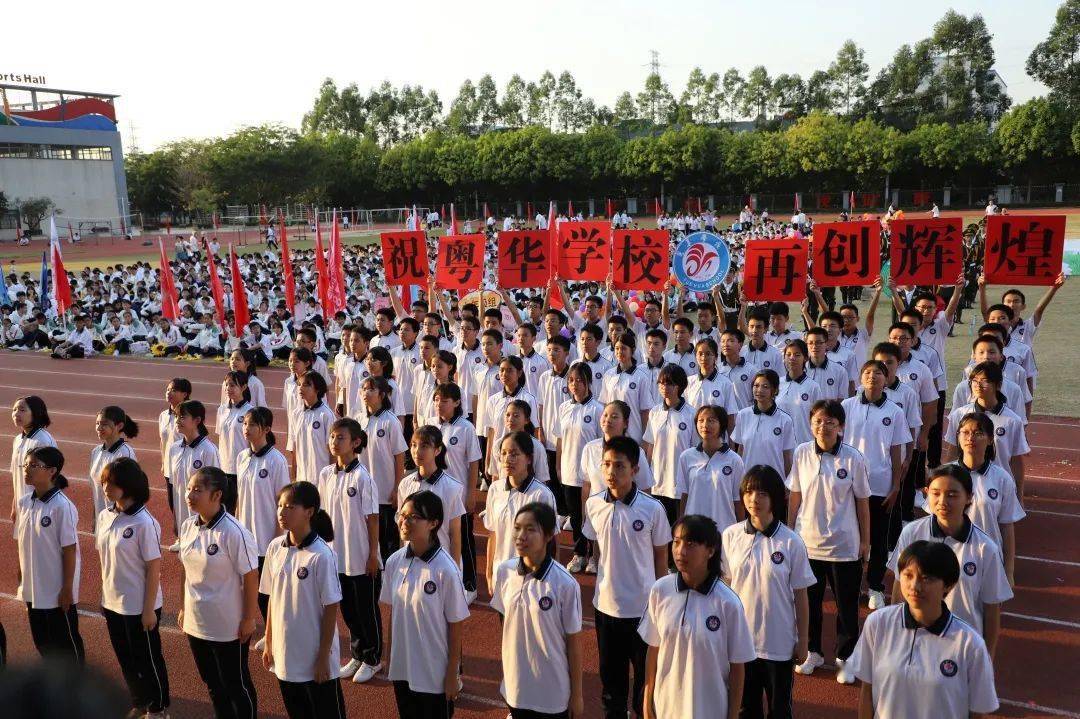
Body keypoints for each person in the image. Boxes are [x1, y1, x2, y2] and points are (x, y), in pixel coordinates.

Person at [848, 541, 999, 719]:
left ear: (948, 585)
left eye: (926, 578)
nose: (915, 586)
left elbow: (978, 712)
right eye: (908, 575)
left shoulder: (969, 644)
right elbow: (867, 691)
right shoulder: (878, 624)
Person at [583, 437, 671, 719]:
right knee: (611, 683)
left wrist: (661, 603)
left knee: (646, 684)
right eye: (606, 464)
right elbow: (596, 544)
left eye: (619, 466)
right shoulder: (594, 504)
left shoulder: (652, 508)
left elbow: (661, 557)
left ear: (634, 469)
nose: (611, 472)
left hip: (643, 610)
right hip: (606, 607)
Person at [640, 514, 756, 719]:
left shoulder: (728, 603)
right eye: (676, 542)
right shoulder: (660, 590)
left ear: (710, 551)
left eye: (691, 544)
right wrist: (647, 699)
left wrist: (733, 714)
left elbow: (738, 667)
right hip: (667, 707)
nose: (680, 551)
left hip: (710, 710)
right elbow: (653, 649)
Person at [889, 465, 1013, 656]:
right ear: (926, 493)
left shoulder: (985, 549)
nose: (942, 501)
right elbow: (899, 589)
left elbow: (991, 610)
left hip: (962, 647)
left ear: (969, 497)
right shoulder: (912, 533)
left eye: (952, 495)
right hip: (916, 641)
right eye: (936, 493)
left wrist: (987, 658)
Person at [721, 466, 815, 719]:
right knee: (744, 710)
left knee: (779, 711)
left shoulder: (791, 542)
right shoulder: (730, 536)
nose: (754, 500)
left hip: (778, 644)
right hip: (742, 643)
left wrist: (804, 640)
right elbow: (726, 591)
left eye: (762, 493)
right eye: (749, 492)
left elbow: (801, 596)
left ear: (774, 497)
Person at [788, 399, 871, 682]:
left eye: (829, 422)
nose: (823, 427)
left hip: (844, 546)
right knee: (809, 603)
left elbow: (862, 503)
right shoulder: (801, 453)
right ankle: (812, 651)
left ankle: (846, 658)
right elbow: (795, 496)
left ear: (841, 427)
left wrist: (865, 542)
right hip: (807, 543)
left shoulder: (853, 458)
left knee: (846, 606)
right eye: (818, 422)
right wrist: (789, 534)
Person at [260, 481, 347, 719]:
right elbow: (272, 600)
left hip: (314, 656)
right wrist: (269, 641)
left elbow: (331, 608)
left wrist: (323, 657)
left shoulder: (322, 555)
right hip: (286, 652)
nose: (281, 512)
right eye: (279, 505)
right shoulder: (275, 548)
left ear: (309, 512)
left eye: (289, 506)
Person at [178, 466, 260, 719]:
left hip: (227, 625)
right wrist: (183, 607)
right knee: (212, 683)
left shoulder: (234, 532)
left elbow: (250, 576)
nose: (190, 495)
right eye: (189, 489)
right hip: (196, 620)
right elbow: (184, 569)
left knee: (236, 684)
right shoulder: (188, 526)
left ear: (216, 495)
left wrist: (248, 618)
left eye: (197, 490)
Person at [490, 502, 584, 719]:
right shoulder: (505, 572)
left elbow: (574, 644)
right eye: (517, 527)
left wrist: (577, 695)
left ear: (549, 535)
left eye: (531, 529)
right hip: (517, 686)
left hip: (552, 692)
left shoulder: (565, 584)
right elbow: (506, 624)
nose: (521, 535)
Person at [381, 491, 470, 718]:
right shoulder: (394, 562)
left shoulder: (446, 569)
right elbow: (394, 613)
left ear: (433, 523)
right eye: (402, 515)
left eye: (413, 517)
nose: (404, 522)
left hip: (433, 672)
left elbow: (456, 623)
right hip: (403, 666)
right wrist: (390, 655)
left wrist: (453, 673)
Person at [96, 457, 170, 718]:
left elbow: (153, 569)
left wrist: (149, 609)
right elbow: (105, 560)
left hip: (139, 605)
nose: (106, 487)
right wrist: (104, 595)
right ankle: (139, 700)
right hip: (113, 602)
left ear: (128, 485)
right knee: (125, 658)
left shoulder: (144, 523)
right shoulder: (105, 516)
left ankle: (158, 707)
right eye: (104, 482)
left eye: (112, 483)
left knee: (148, 659)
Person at [317, 417, 383, 685]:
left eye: (340, 437)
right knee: (348, 610)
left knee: (366, 610)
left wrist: (372, 555)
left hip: (360, 556)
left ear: (356, 443)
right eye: (332, 436)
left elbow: (373, 519)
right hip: (336, 556)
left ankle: (373, 658)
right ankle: (357, 653)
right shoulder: (325, 475)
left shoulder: (363, 477)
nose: (334, 441)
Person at [841, 361, 910, 611]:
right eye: (867, 372)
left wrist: (895, 486)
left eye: (878, 373)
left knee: (878, 539)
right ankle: (852, 583)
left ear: (887, 377)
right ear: (860, 377)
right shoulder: (846, 407)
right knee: (851, 535)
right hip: (848, 484)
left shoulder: (894, 411)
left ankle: (875, 587)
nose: (872, 377)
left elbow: (896, 452)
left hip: (880, 485)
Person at [15, 446, 85, 662]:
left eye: (34, 465)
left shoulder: (62, 507)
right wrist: (21, 578)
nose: (27, 469)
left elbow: (69, 550)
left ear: (52, 471)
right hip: (33, 587)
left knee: (66, 644)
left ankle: (76, 690)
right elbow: (22, 544)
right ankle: (55, 688)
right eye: (25, 465)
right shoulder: (25, 502)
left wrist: (67, 588)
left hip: (56, 591)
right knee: (43, 642)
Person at [950, 412, 1024, 582]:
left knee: (989, 608)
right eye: (965, 432)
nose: (971, 438)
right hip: (951, 558)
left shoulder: (1002, 478)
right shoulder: (946, 476)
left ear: (991, 439)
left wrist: (1009, 570)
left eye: (978, 433)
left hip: (988, 559)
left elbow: (1007, 527)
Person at [234, 406, 289, 628]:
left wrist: (278, 539)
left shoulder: (276, 460)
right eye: (245, 423)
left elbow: (282, 502)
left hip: (267, 537)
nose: (247, 428)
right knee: (252, 588)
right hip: (246, 536)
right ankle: (269, 632)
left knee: (269, 591)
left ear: (266, 429)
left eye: (253, 424)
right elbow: (240, 495)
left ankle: (276, 635)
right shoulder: (242, 457)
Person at [943, 362, 1029, 497]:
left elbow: (1016, 460)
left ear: (998, 385)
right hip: (965, 483)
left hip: (1000, 485)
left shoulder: (1013, 421)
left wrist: (1019, 494)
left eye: (985, 381)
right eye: (974, 380)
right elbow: (952, 451)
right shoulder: (959, 415)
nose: (978, 385)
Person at [485, 431, 557, 589]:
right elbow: (493, 534)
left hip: (531, 580)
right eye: (503, 453)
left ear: (529, 458)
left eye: (514, 454)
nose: (507, 459)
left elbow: (550, 542)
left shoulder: (541, 495)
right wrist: (489, 572)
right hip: (502, 576)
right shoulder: (495, 490)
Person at [553, 361, 604, 573]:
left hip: (591, 475)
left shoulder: (598, 409)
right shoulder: (564, 408)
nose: (575, 385)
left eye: (580, 381)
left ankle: (594, 556)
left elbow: (602, 442)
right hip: (568, 471)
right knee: (576, 516)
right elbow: (560, 440)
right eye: (571, 381)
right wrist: (557, 466)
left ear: (589, 383)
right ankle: (579, 553)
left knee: (591, 515)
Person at [434, 382, 482, 602]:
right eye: (436, 400)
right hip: (436, 495)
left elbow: (473, 463)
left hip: (459, 495)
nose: (439, 405)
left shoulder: (465, 428)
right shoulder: (433, 426)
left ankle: (469, 583)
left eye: (444, 401)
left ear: (456, 403)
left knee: (463, 540)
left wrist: (471, 493)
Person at [642, 365, 697, 534]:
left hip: (679, 481)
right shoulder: (655, 412)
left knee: (678, 526)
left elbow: (694, 449)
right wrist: (647, 475)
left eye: (670, 384)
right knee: (658, 528)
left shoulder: (691, 414)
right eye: (661, 383)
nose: (664, 388)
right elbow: (650, 444)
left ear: (679, 386)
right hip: (657, 480)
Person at [359, 376, 407, 563]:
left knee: (388, 542)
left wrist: (397, 488)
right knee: (368, 541)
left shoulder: (390, 421)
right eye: (363, 389)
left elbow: (399, 456)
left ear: (382, 394)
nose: (365, 393)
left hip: (385, 494)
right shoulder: (359, 420)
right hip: (364, 492)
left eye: (370, 389)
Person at [678, 405, 745, 533]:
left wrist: (741, 531)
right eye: (701, 420)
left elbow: (738, 500)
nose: (705, 425)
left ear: (722, 425)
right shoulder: (686, 457)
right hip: (693, 529)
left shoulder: (735, 460)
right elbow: (684, 495)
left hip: (725, 530)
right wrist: (682, 525)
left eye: (711, 420)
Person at [169, 400, 221, 552]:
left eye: (183, 417)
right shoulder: (173, 449)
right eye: (176, 416)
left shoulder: (208, 450)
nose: (177, 421)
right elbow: (174, 486)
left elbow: (215, 486)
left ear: (197, 420)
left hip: (202, 518)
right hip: (183, 516)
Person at [86, 406, 139, 524]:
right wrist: (96, 517)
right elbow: (96, 489)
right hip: (102, 519)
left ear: (119, 426)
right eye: (97, 423)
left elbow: (131, 491)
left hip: (120, 520)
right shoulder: (96, 452)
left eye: (104, 424)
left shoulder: (125, 453)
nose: (99, 428)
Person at [9, 395, 57, 521]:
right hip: (23, 505)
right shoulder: (17, 440)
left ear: (35, 413)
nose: (16, 414)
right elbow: (17, 476)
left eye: (22, 410)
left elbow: (51, 478)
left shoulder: (43, 441)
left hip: (39, 507)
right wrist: (15, 505)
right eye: (14, 410)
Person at [158, 379, 191, 535]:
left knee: (187, 503)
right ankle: (180, 536)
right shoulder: (163, 415)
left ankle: (190, 534)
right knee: (173, 503)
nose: (169, 393)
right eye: (168, 390)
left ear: (184, 394)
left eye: (174, 390)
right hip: (169, 467)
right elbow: (162, 440)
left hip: (184, 465)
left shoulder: (188, 417)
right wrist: (163, 461)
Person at [217, 371, 253, 514]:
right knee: (225, 510)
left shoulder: (250, 411)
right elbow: (220, 437)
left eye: (233, 385)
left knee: (242, 510)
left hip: (242, 467)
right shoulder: (222, 410)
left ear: (243, 387)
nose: (228, 388)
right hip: (224, 468)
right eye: (227, 385)